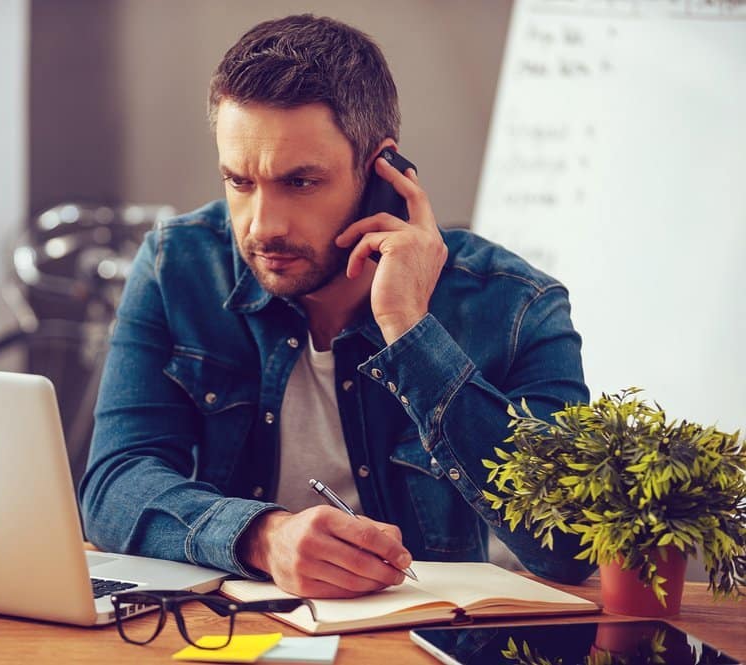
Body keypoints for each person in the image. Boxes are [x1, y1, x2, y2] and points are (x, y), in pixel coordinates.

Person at [79, 14, 594, 599]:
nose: (262, 227)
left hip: (419, 637)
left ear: (383, 174)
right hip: (229, 632)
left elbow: (570, 546)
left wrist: (410, 329)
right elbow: (113, 485)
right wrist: (262, 537)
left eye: (299, 183)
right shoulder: (178, 266)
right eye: (240, 182)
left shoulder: (517, 304)